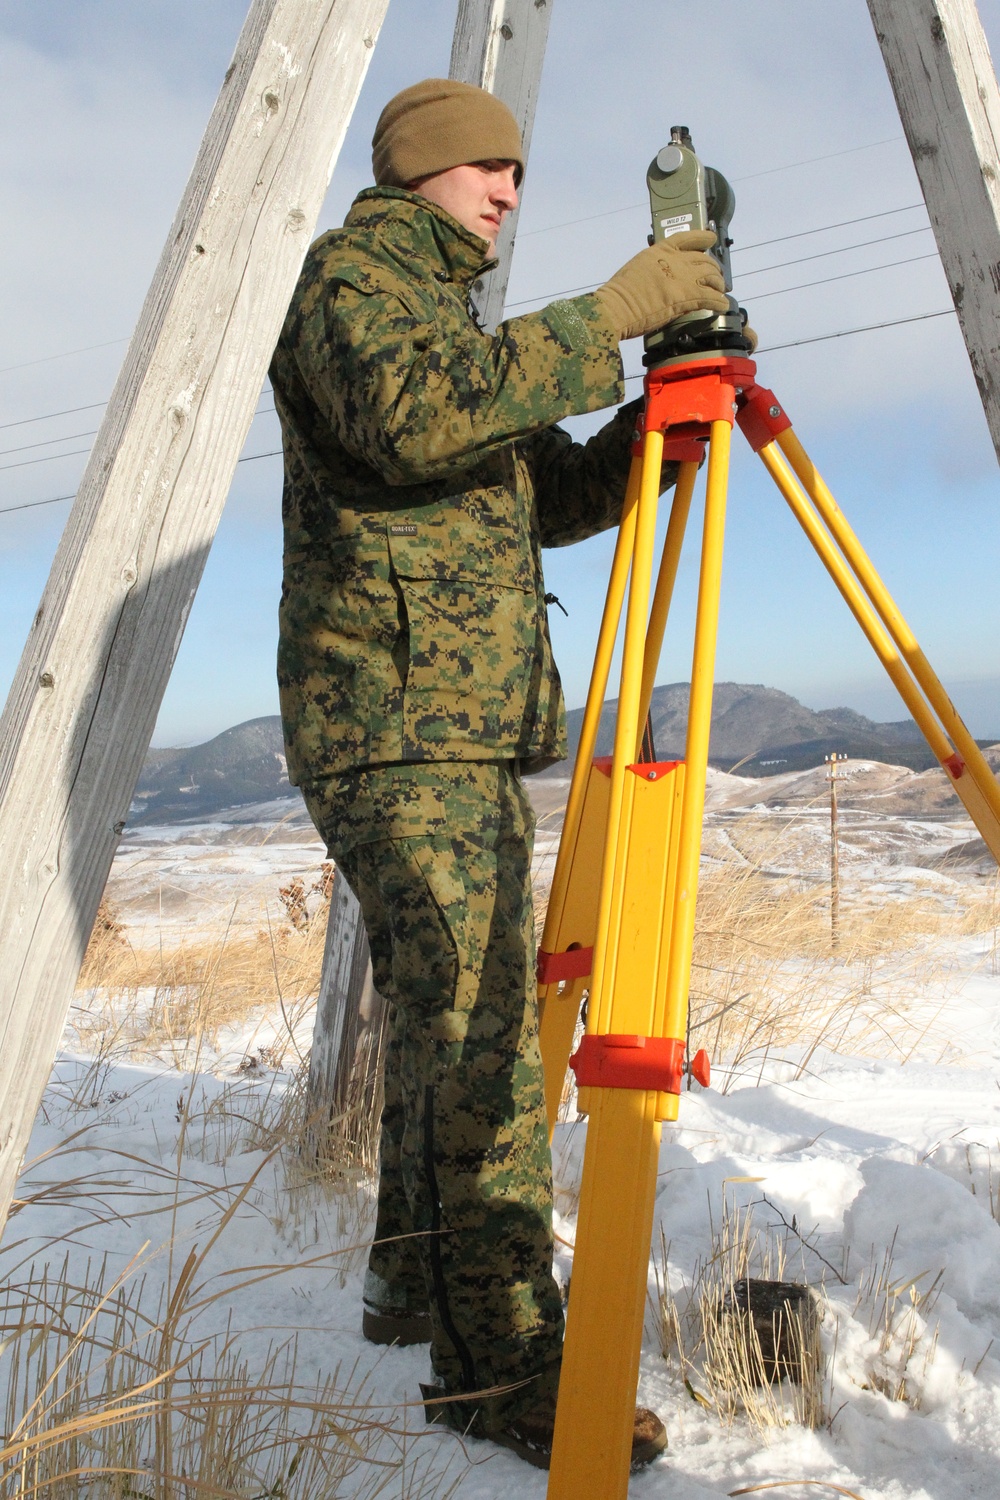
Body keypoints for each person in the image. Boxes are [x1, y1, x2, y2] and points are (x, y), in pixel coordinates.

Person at [269, 77, 729, 1469]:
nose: (511, 189)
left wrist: (662, 425)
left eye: (519, 170)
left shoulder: (456, 324)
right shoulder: (353, 285)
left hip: (448, 731)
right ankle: (506, 1369)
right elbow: (412, 418)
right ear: (418, 170)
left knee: (444, 1026)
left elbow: (550, 495)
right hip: (393, 729)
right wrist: (611, 315)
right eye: (488, 165)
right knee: (481, 1046)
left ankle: (417, 1290)